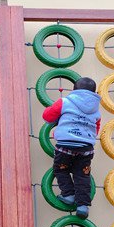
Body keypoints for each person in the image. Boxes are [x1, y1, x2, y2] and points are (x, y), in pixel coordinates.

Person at [42, 77, 101, 219]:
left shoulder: (65, 102)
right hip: (86, 148)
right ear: (94, 93)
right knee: (82, 175)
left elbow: (47, 116)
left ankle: (68, 194)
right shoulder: (96, 109)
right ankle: (82, 206)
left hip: (66, 146)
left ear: (74, 90)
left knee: (60, 169)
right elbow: (96, 128)